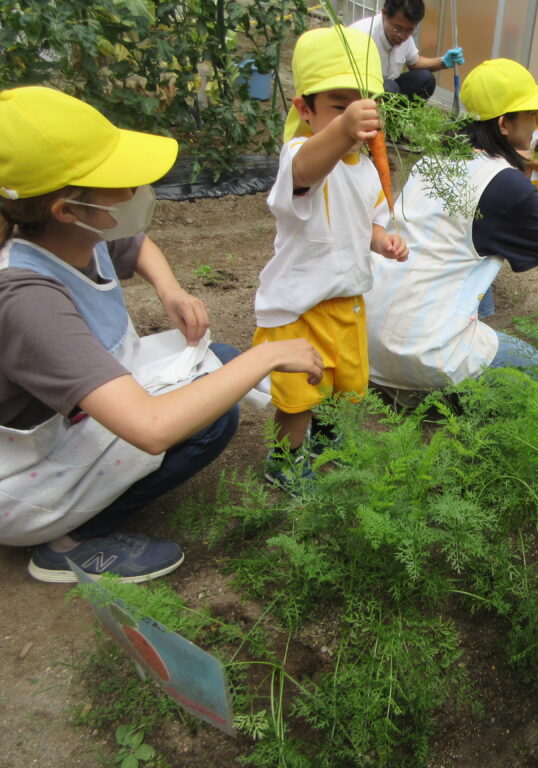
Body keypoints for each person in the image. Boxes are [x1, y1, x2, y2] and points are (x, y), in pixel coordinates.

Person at [0, 86, 323, 582]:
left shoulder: (75, 230)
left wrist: (169, 290)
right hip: (25, 472)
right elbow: (151, 428)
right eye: (120, 181)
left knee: (220, 360)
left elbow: (136, 242)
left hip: (76, 410)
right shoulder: (26, 297)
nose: (138, 190)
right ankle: (67, 545)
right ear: (67, 208)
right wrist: (267, 357)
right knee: (213, 414)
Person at [364, 58, 538, 399]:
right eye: (532, 114)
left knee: (469, 250)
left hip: (366, 335)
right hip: (420, 349)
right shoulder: (508, 185)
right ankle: (428, 388)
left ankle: (413, 378)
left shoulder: (433, 158)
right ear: (505, 124)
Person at [252, 25, 408, 484]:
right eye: (340, 106)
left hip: (345, 302)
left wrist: (381, 239)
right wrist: (340, 131)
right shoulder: (302, 153)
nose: (356, 121)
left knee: (342, 386)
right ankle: (285, 462)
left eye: (364, 108)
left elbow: (369, 220)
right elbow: (305, 171)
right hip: (297, 307)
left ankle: (325, 436)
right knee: (297, 396)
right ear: (305, 109)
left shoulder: (365, 168)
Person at [350, 0, 464, 103]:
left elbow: (414, 63)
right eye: (398, 29)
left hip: (390, 89)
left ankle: (397, 120)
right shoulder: (361, 34)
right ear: (384, 14)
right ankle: (379, 122)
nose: (403, 36)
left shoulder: (404, 35)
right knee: (390, 87)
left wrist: (443, 62)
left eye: (409, 30)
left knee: (425, 79)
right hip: (361, 92)